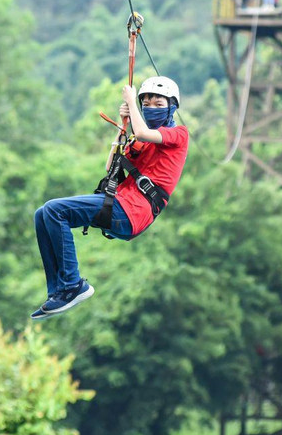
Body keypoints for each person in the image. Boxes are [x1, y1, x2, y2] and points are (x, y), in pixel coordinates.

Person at [30, 77, 190, 319]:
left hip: (133, 211)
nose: (151, 109)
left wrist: (131, 101)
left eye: (158, 104)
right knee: (42, 214)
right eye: (146, 104)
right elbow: (110, 166)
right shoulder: (140, 141)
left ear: (172, 108)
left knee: (54, 210)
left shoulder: (178, 134)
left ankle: (73, 285)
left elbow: (145, 133)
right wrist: (122, 128)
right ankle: (59, 291)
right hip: (121, 206)